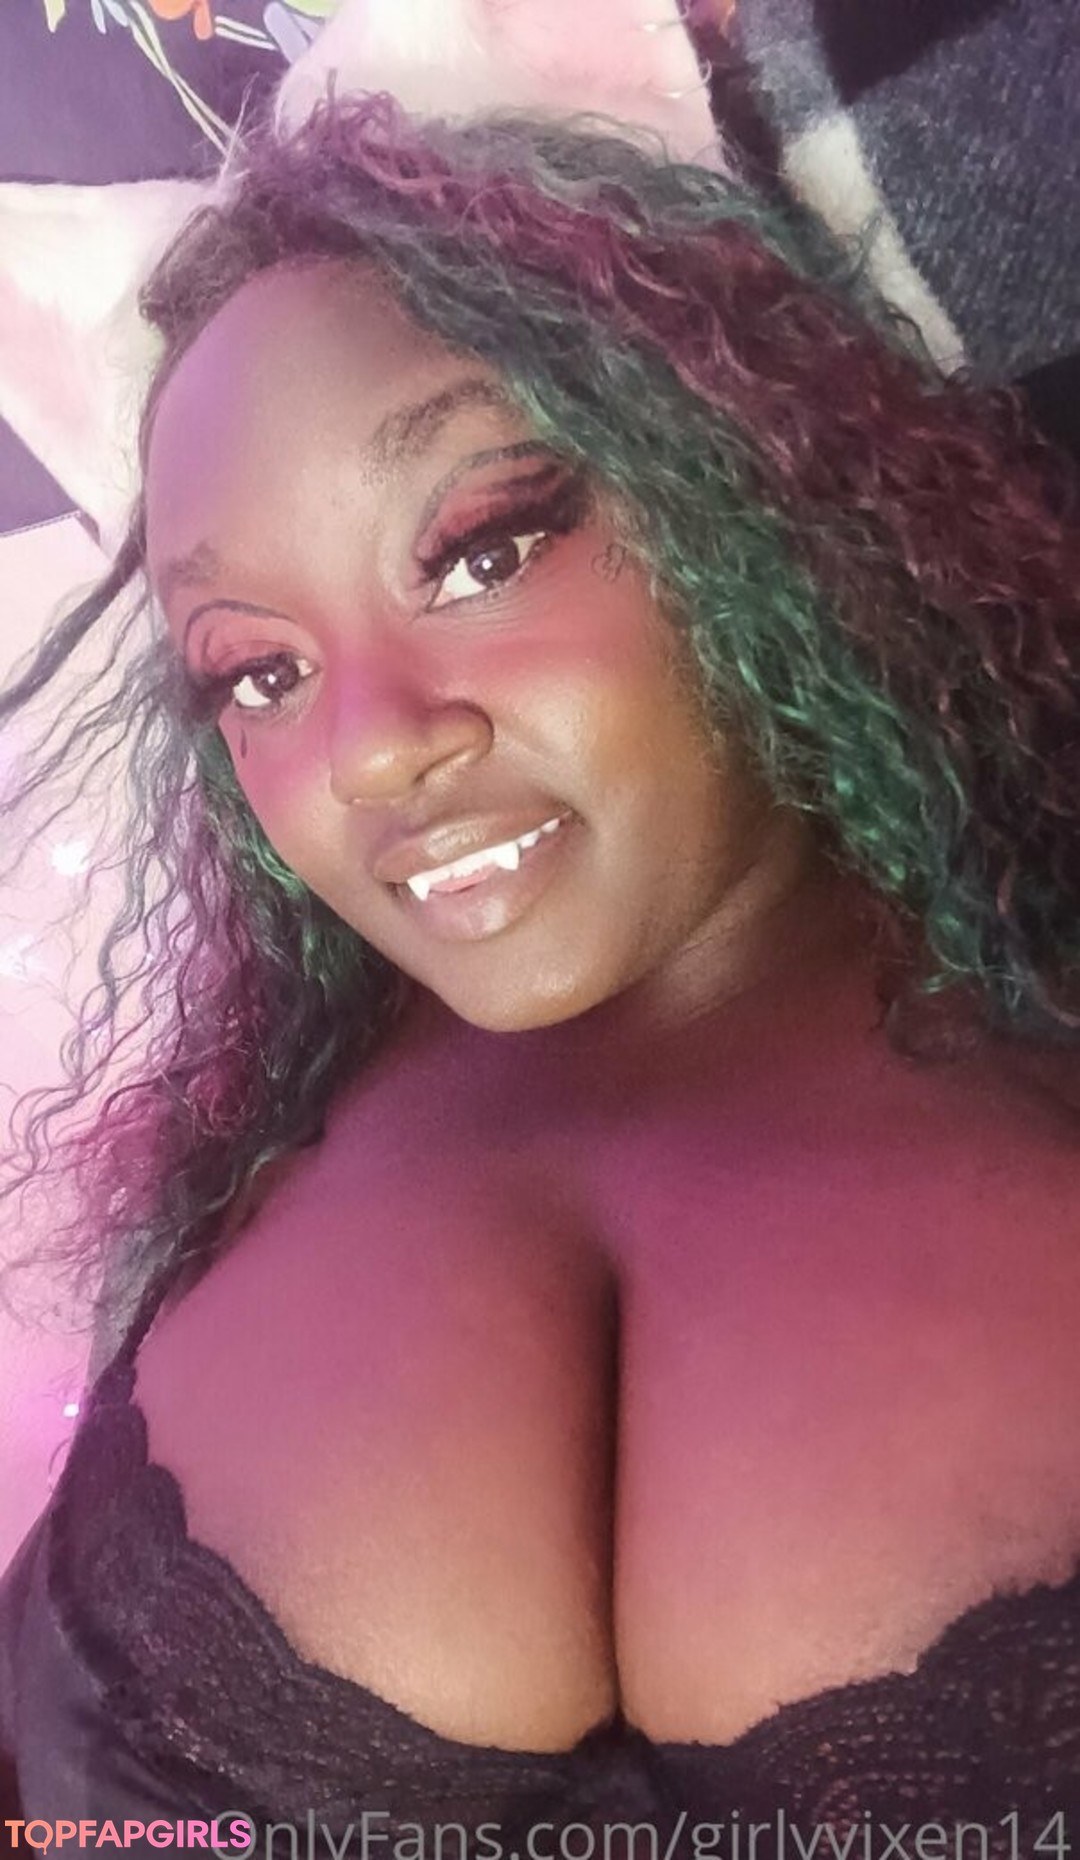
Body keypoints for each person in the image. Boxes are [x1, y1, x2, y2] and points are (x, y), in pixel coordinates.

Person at [2, 89, 1080, 1850]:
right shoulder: (241, 1164)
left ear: (748, 500)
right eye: (258, 671)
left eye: (481, 551)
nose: (371, 748)